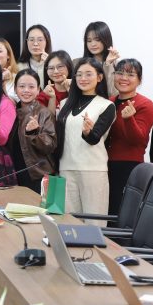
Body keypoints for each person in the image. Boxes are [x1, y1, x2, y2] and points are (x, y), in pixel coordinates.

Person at [55, 57, 115, 224]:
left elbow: (94, 138)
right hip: (66, 167)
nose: (83, 78)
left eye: (89, 74)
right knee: (68, 222)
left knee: (94, 223)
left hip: (93, 170)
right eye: (79, 74)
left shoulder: (106, 105)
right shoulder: (64, 104)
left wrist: (88, 132)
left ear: (99, 77)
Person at [107, 59, 153, 215]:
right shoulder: (110, 101)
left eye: (130, 74)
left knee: (119, 213)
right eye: (120, 73)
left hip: (128, 167)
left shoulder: (145, 104)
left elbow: (138, 140)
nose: (124, 78)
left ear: (139, 80)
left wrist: (129, 119)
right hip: (104, 164)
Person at [11, 69, 57, 192]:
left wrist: (34, 133)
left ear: (38, 90)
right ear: (15, 89)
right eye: (22, 86)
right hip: (15, 174)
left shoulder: (44, 113)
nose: (26, 90)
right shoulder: (11, 111)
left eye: (31, 87)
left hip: (38, 174)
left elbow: (50, 145)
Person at [79, 21, 120, 97]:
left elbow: (112, 93)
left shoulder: (117, 65)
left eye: (97, 40)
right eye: (89, 41)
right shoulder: (77, 63)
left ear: (106, 39)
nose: (93, 44)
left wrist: (108, 64)